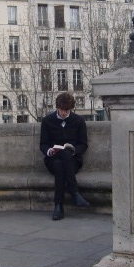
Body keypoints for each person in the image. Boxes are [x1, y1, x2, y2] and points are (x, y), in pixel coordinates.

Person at [39, 92, 89, 220]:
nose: (63, 113)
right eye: (61, 110)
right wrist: (49, 151)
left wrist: (73, 150)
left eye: (66, 110)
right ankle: (74, 193)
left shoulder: (78, 121)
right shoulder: (47, 121)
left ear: (71, 109)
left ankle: (58, 206)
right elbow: (43, 144)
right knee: (58, 163)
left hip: (73, 160)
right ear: (57, 107)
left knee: (61, 162)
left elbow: (83, 144)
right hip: (52, 159)